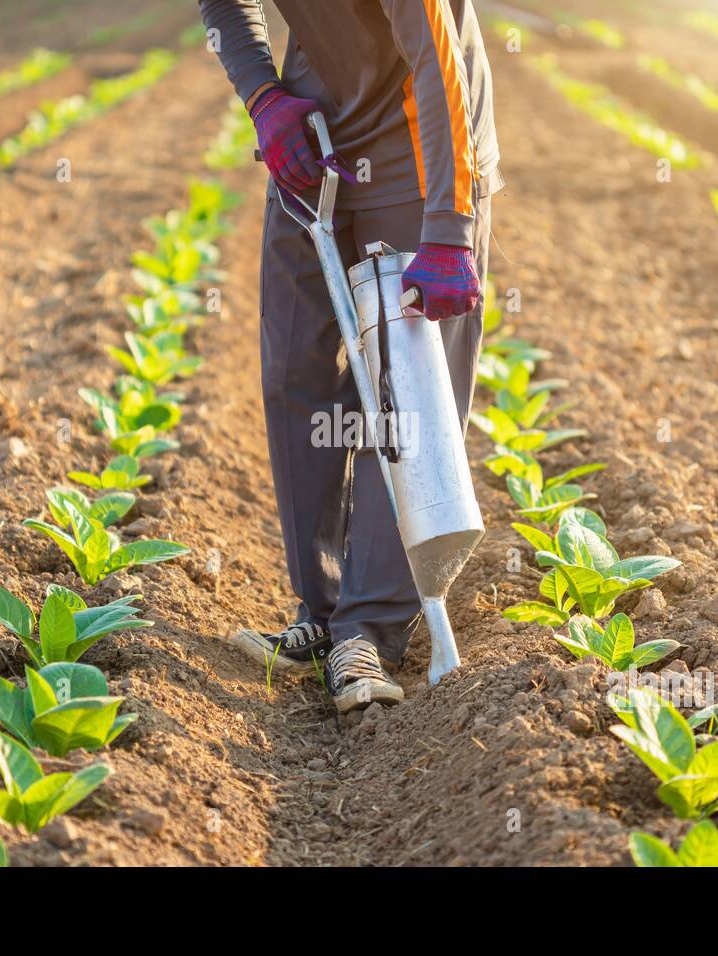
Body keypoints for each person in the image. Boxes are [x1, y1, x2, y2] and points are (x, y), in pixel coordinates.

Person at [198, 0, 502, 712]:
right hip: (315, 125)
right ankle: (321, 607)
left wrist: (450, 228)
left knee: (405, 385)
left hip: (423, 137)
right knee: (293, 365)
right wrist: (264, 95)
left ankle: (368, 627)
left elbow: (436, 59)